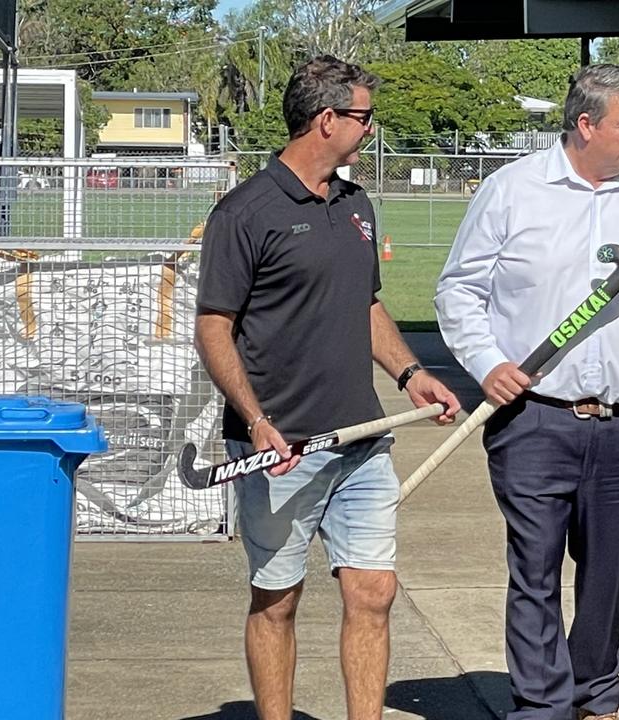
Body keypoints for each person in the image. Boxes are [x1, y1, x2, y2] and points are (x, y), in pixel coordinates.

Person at [435, 63, 619, 720]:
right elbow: (458, 291)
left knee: (609, 577)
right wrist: (487, 362)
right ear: (585, 124)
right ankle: (540, 707)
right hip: (534, 420)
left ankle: (594, 699)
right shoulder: (512, 192)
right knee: (533, 572)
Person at [194, 55, 459, 720]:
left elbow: (366, 307)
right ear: (325, 120)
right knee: (276, 600)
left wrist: (412, 373)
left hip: (361, 440)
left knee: (374, 593)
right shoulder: (244, 212)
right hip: (279, 446)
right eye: (363, 117)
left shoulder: (356, 205)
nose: (371, 129)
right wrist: (255, 419)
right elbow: (214, 329)